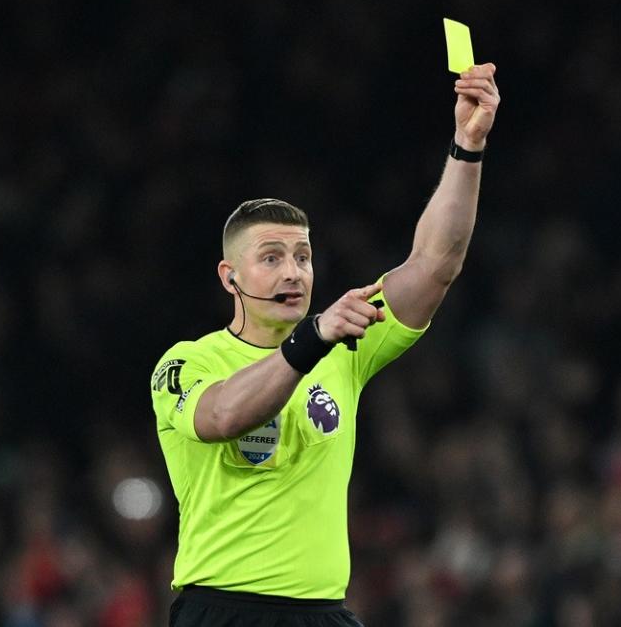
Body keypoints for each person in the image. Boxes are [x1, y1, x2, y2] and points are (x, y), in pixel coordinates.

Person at [151, 63, 500, 627]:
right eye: (271, 258)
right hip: (223, 612)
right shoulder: (188, 362)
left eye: (303, 258)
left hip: (323, 613)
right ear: (228, 277)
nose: (293, 273)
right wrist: (311, 339)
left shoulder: (344, 343)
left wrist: (468, 144)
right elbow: (224, 416)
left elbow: (436, 264)